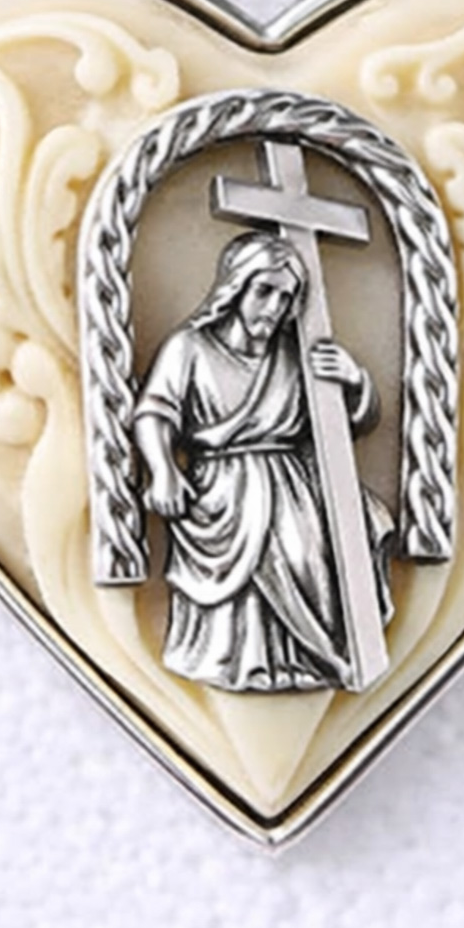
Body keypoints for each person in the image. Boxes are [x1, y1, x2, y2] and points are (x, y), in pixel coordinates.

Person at [133, 231, 394, 692]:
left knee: (307, 552)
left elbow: (345, 426)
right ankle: (235, 661)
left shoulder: (294, 357)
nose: (273, 307)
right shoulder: (189, 348)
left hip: (291, 487)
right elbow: (155, 412)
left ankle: (306, 660)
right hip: (222, 488)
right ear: (236, 287)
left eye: (285, 297)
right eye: (264, 291)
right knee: (253, 570)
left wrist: (354, 381)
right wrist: (163, 470)